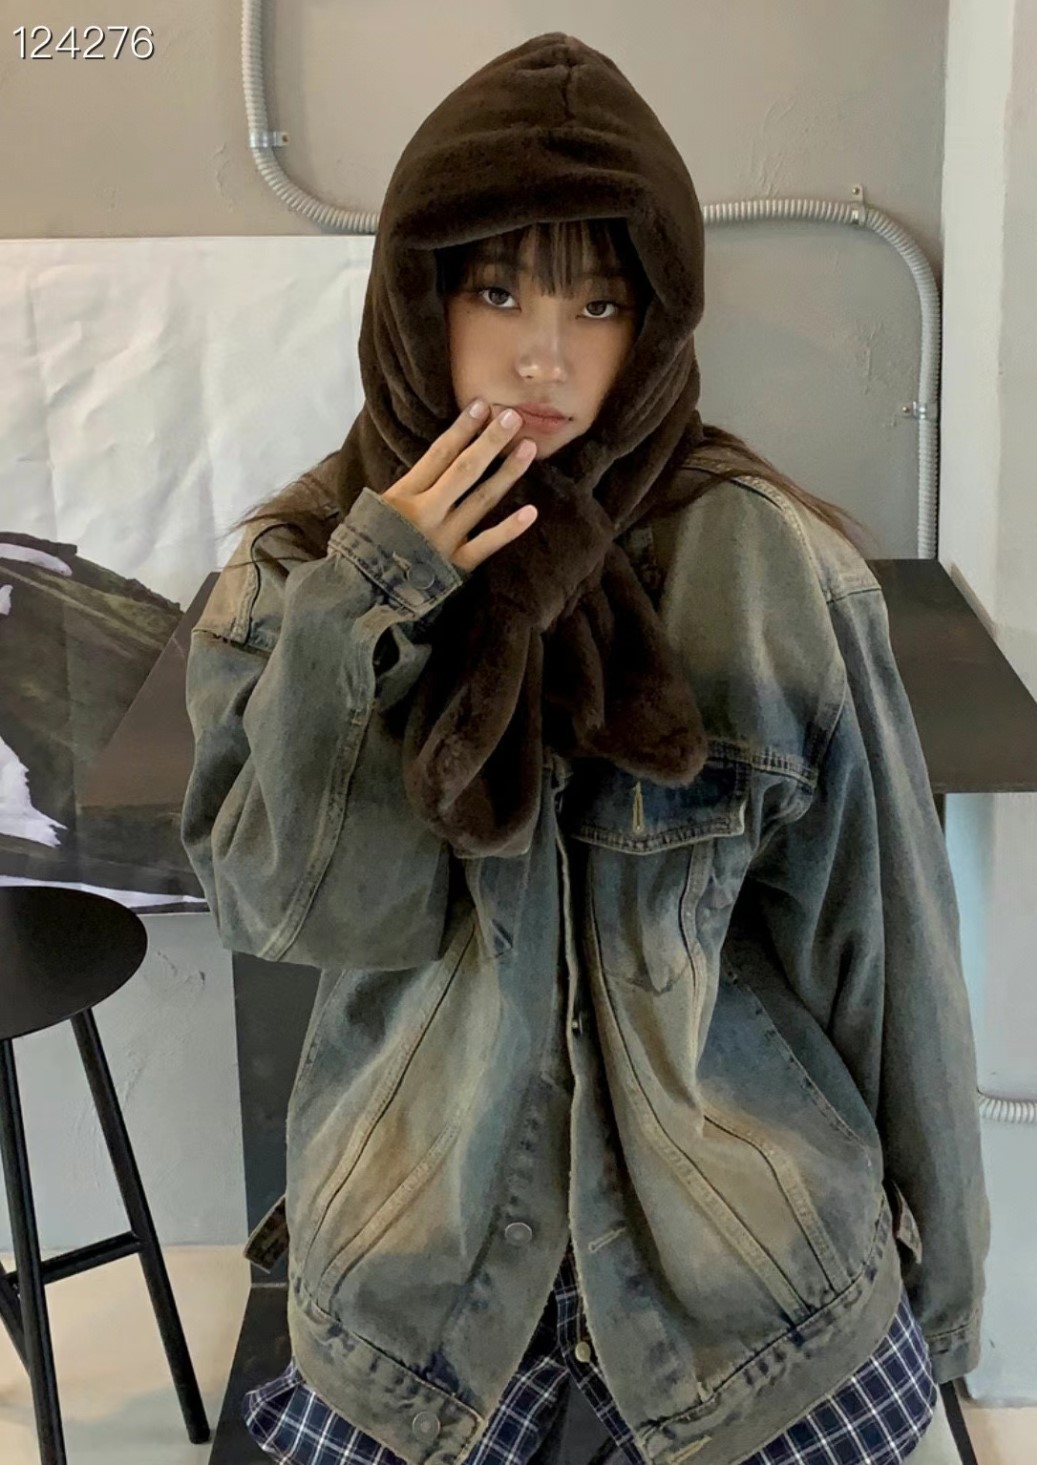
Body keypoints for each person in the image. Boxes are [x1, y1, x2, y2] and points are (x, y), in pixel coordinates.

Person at [181, 32, 989, 1465]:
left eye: (598, 301)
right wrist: (375, 602)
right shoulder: (298, 575)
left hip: (751, 1265)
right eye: (496, 288)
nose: (544, 355)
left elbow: (887, 954)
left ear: (657, 320)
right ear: (418, 293)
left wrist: (946, 1292)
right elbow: (292, 911)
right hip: (423, 1264)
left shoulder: (765, 569)